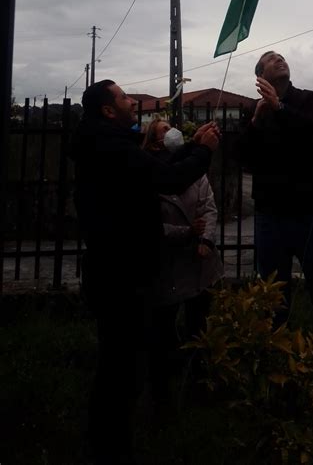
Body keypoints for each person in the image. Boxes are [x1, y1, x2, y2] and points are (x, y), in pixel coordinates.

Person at [70, 80, 219, 465]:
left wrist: (191, 146)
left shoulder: (104, 142)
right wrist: (204, 152)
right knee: (121, 369)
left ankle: (107, 440)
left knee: (119, 363)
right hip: (121, 276)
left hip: (115, 271)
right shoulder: (111, 147)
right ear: (108, 110)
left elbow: (155, 168)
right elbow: (168, 179)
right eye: (123, 97)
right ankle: (109, 448)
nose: (132, 101)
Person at [240, 51, 313, 379]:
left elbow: (312, 134)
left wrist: (279, 108)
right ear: (261, 76)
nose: (280, 60)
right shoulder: (255, 112)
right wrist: (256, 122)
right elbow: (244, 159)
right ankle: (273, 368)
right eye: (271, 59)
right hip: (270, 217)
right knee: (273, 300)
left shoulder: (308, 100)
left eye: (282, 57)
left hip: (310, 216)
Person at [142, 119, 224, 388]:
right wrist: (187, 233)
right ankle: (164, 381)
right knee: (164, 326)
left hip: (200, 263)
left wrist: (206, 240)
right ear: (154, 141)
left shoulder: (191, 167)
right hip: (168, 266)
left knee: (199, 323)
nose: (170, 132)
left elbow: (209, 208)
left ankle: (198, 374)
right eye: (163, 130)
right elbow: (151, 226)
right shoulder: (151, 172)